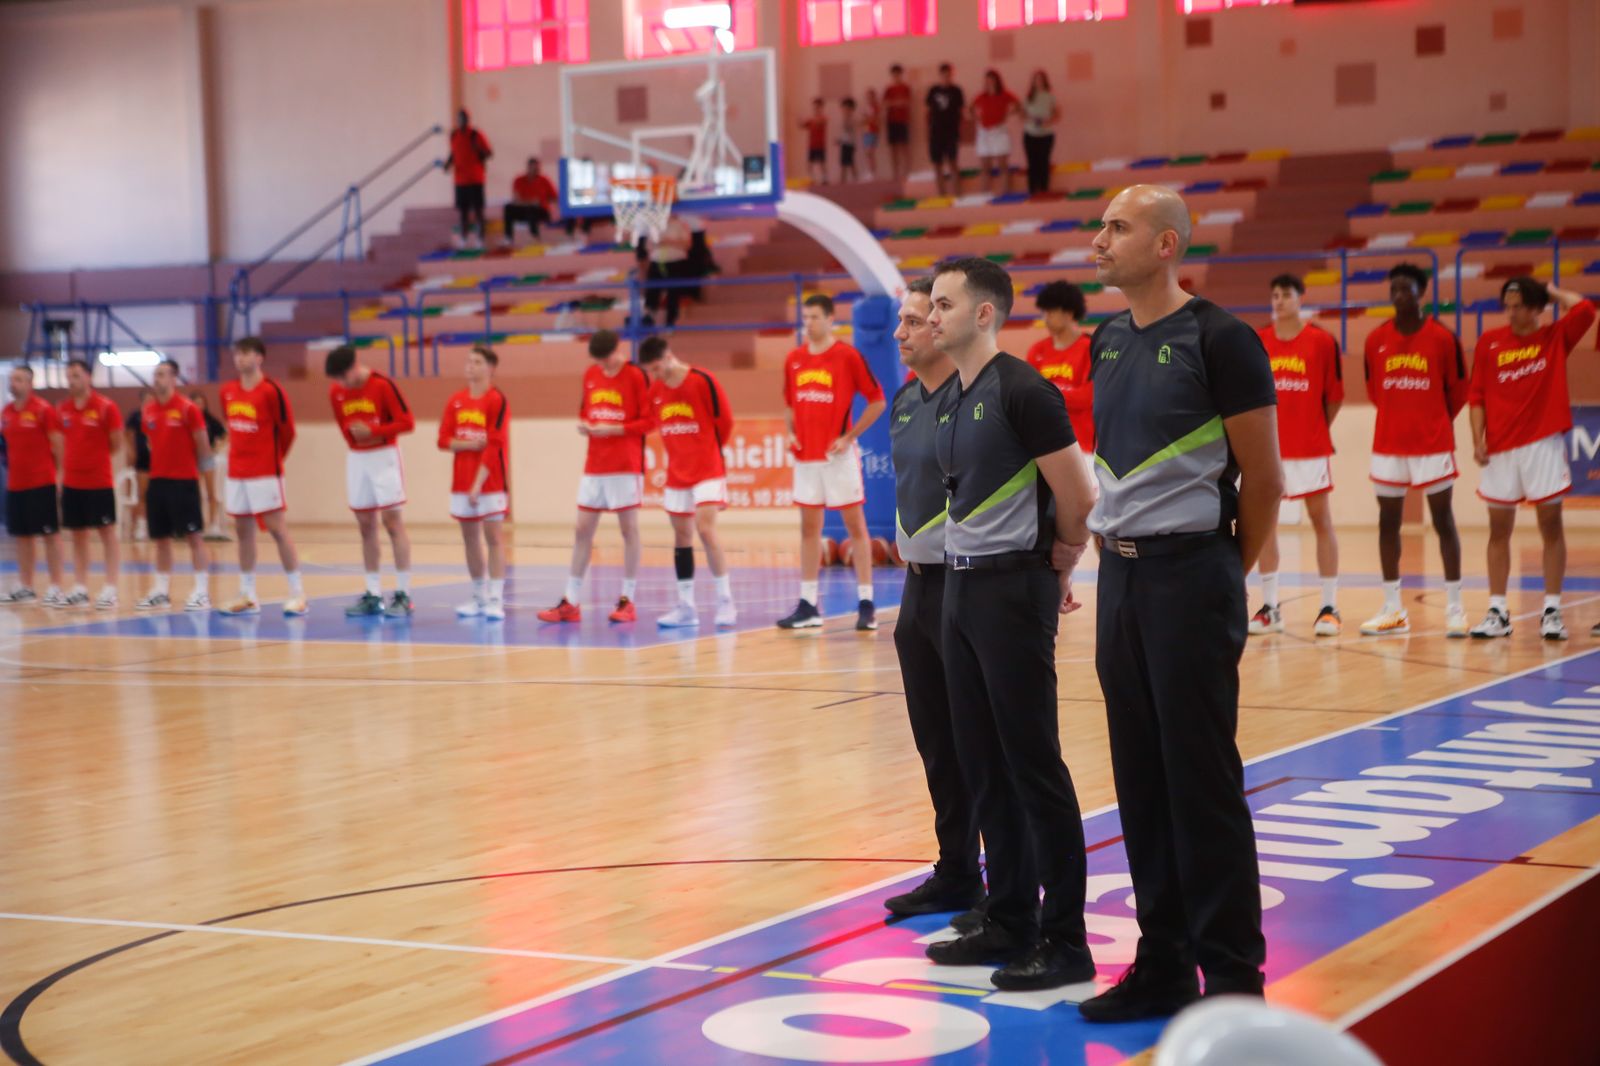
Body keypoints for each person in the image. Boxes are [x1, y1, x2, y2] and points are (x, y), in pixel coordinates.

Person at [1078, 185, 1280, 1022]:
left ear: (1166, 245)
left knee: (1200, 782)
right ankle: (1161, 963)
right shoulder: (1106, 339)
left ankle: (1233, 980)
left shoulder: (1222, 340)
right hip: (1118, 580)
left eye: (1116, 227)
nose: (1099, 240)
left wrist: (1222, 573)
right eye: (1100, 226)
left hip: (1191, 577)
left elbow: (1264, 479)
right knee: (1140, 779)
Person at [921, 257, 1099, 992]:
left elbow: (1078, 496)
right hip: (960, 593)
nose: (931, 316)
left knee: (1034, 768)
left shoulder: (1025, 390)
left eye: (943, 304)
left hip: (1013, 592)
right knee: (983, 764)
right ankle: (1009, 917)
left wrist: (1055, 563)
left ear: (985, 313)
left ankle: (1064, 940)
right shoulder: (952, 397)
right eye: (929, 305)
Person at [881, 277, 984, 926]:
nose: (902, 334)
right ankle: (956, 873)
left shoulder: (976, 399)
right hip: (917, 591)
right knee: (937, 744)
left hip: (967, 586)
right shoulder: (903, 402)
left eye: (914, 322)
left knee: (980, 741)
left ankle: (1007, 890)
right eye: (901, 322)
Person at [1466, 278, 1596, 641]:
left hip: (1543, 446)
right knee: (1498, 530)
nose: (1511, 311)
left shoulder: (1555, 337)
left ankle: (1552, 610)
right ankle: (1497, 611)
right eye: (1507, 304)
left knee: (1550, 526)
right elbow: (1476, 396)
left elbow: (1586, 309)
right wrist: (1477, 439)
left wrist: (1552, 291)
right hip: (1500, 450)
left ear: (1537, 308)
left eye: (1519, 304)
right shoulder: (1489, 342)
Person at [1361, 263, 1468, 637]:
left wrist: (1432, 419)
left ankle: (1455, 607)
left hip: (1432, 444)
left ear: (1421, 294)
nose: (1397, 296)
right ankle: (1393, 609)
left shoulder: (1442, 338)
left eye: (1405, 289)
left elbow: (1457, 392)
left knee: (1443, 521)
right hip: (1388, 444)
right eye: (1393, 289)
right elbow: (1375, 391)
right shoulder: (1375, 340)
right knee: (1387, 523)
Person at [775, 294, 886, 632]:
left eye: (813, 317)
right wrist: (791, 433)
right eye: (804, 317)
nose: (807, 323)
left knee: (856, 529)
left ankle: (866, 604)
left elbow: (877, 401)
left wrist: (849, 436)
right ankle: (808, 604)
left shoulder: (847, 356)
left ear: (829, 320)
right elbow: (789, 404)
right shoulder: (793, 359)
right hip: (805, 460)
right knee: (809, 529)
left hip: (837, 459)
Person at [1248, 274, 1344, 637]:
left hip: (1310, 448)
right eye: (1273, 295)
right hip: (1269, 450)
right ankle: (1271, 607)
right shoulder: (1258, 341)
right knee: (1265, 526)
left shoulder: (1321, 341)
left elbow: (1334, 396)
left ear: (1301, 298)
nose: (1279, 301)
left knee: (1321, 520)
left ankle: (1330, 606)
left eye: (1285, 294)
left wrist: (1314, 427)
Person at [538, 329, 648, 624]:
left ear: (618, 350)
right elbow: (586, 410)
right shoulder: (590, 374)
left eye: (608, 360)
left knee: (629, 531)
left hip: (625, 464)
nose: (604, 366)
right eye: (599, 362)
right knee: (582, 530)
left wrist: (613, 429)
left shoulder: (636, 376)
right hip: (594, 465)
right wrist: (587, 425)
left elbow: (648, 421)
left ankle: (628, 600)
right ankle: (571, 601)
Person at [637, 336, 738, 629]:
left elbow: (726, 423)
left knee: (705, 530)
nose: (654, 375)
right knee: (681, 538)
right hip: (677, 473)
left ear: (669, 356)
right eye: (650, 371)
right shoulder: (655, 391)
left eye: (657, 368)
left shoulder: (703, 380)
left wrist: (706, 449)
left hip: (707, 468)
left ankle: (725, 601)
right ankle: (686, 606)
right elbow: (651, 423)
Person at [217, 336, 306, 618]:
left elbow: (288, 430)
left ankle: (297, 593)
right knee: (243, 532)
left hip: (266, 471)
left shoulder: (271, 391)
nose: (240, 359)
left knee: (278, 529)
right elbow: (231, 426)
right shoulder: (227, 391)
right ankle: (247, 593)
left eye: (246, 354)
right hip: (237, 472)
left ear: (259, 357)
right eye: (237, 354)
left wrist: (274, 460)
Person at [325, 345, 416, 619]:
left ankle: (403, 594)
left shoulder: (382, 385)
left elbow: (407, 422)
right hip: (358, 459)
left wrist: (375, 432)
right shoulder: (336, 392)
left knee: (392, 524)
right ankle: (373, 593)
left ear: (355, 366)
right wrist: (357, 437)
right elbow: (343, 426)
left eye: (343, 377)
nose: (341, 384)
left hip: (384, 457)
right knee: (365, 526)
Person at [135, 360, 214, 611]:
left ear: (173, 379)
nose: (157, 379)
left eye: (162, 375)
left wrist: (203, 478)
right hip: (158, 481)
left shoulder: (188, 409)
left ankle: (201, 590)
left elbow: (203, 446)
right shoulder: (148, 411)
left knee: (194, 537)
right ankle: (161, 590)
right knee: (161, 538)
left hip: (184, 481)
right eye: (155, 374)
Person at [441, 346, 511, 622]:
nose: (470, 365)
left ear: (490, 368)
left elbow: (495, 445)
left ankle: (495, 598)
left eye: (477, 362)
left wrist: (478, 483)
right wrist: (467, 443)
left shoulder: (496, 400)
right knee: (469, 538)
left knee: (493, 538)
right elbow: (442, 439)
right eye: (468, 360)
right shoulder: (456, 400)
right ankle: (478, 596)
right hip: (460, 480)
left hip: (489, 482)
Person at [57, 358, 123, 609]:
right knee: (78, 535)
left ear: (88, 377)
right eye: (69, 376)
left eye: (76, 375)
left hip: (99, 482)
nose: (72, 381)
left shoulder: (106, 407)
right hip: (72, 482)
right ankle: (80, 586)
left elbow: (116, 443)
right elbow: (63, 444)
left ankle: (110, 587)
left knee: (107, 534)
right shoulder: (62, 408)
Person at [1, 364, 65, 606]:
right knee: (22, 536)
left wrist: (59, 475)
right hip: (16, 484)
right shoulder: (6, 412)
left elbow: (58, 445)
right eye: (12, 379)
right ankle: (26, 585)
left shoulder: (43, 410)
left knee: (50, 535)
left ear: (29, 383)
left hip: (42, 482)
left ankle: (56, 586)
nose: (13, 383)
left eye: (18, 379)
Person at [1026, 280, 1095, 474]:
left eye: (1051, 312)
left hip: (1082, 446)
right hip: (1044, 446)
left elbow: (1086, 398)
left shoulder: (1089, 349)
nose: (1045, 318)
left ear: (1069, 313)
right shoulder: (1037, 351)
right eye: (1044, 312)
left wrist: (1047, 392)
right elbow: (1030, 399)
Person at [446, 108, 493, 248]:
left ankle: (481, 238)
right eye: (459, 118)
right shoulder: (453, 135)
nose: (462, 121)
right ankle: (464, 238)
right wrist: (447, 164)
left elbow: (489, 153)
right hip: (460, 179)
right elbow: (453, 154)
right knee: (463, 212)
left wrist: (478, 148)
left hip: (475, 178)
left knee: (478, 210)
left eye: (464, 118)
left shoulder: (476, 135)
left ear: (468, 120)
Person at [970, 69, 1020, 195]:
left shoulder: (1004, 95)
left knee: (1002, 165)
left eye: (992, 80)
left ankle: (1006, 194)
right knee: (985, 166)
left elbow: (1018, 105)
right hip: (984, 132)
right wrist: (977, 118)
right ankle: (985, 195)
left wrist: (1008, 114)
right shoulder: (981, 96)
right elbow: (970, 108)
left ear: (997, 81)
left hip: (999, 130)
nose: (989, 82)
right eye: (987, 80)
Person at [504, 157, 572, 245]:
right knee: (508, 208)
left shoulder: (544, 180)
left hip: (541, 211)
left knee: (532, 210)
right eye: (534, 168)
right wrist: (530, 202)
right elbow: (516, 200)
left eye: (538, 168)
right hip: (524, 211)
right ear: (528, 167)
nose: (536, 170)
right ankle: (508, 238)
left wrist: (563, 213)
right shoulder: (519, 180)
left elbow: (555, 197)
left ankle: (535, 237)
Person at [190, 389, 228, 540]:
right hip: (192, 458)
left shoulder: (210, 420)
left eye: (201, 403)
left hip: (207, 458)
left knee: (211, 492)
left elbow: (225, 435)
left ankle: (213, 524)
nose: (198, 405)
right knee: (195, 492)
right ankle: (197, 524)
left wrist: (216, 448)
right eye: (195, 403)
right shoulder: (188, 420)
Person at [926, 64, 965, 197]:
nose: (946, 78)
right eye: (943, 75)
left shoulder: (956, 91)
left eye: (948, 75)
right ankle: (941, 194)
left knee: (952, 162)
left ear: (951, 75)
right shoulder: (933, 90)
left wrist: (961, 129)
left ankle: (957, 193)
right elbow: (928, 111)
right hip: (936, 131)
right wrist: (927, 130)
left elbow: (961, 111)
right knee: (937, 164)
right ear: (940, 75)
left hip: (951, 131)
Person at [1021, 70, 1058, 196]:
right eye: (1036, 79)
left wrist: (1048, 121)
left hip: (1046, 134)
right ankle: (1032, 191)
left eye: (1041, 79)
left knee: (1044, 162)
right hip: (1030, 134)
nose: (1038, 82)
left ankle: (1044, 189)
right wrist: (1031, 119)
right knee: (1032, 163)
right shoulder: (1029, 97)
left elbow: (1056, 114)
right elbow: (1022, 114)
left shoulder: (1050, 96)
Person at [126, 387, 153, 541]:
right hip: (142, 459)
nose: (150, 401)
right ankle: (138, 525)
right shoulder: (136, 416)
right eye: (147, 399)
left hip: (157, 460)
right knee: (141, 494)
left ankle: (151, 524)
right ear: (142, 400)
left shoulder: (157, 414)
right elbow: (126, 433)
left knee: (153, 495)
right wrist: (131, 450)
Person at [884, 64, 913, 182]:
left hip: (903, 120)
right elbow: (886, 104)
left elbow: (907, 102)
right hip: (891, 121)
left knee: (904, 147)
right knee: (893, 148)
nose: (896, 76)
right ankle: (895, 174)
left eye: (898, 74)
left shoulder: (905, 88)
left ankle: (907, 173)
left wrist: (895, 103)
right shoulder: (888, 89)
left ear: (901, 74)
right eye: (894, 74)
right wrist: (897, 103)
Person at [800, 98, 828, 186]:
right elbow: (802, 125)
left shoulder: (823, 118)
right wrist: (800, 121)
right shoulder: (811, 120)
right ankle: (811, 179)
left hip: (820, 145)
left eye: (817, 107)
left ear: (821, 107)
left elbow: (819, 123)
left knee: (821, 162)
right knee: (809, 163)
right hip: (812, 145)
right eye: (814, 107)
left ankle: (824, 179)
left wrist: (811, 121)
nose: (816, 109)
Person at [860, 88, 882, 180]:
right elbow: (863, 120)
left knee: (870, 152)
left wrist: (867, 119)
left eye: (871, 96)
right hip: (866, 132)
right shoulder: (866, 107)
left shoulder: (875, 107)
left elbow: (874, 119)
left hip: (872, 131)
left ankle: (873, 173)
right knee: (867, 153)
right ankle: (870, 171)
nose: (869, 98)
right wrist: (865, 120)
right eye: (867, 97)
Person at [838, 97, 859, 184]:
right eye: (843, 108)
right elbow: (844, 133)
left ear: (851, 109)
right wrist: (839, 140)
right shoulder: (844, 119)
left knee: (850, 162)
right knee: (843, 162)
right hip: (844, 143)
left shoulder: (851, 119)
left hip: (849, 144)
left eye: (846, 108)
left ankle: (855, 179)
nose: (844, 110)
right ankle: (843, 180)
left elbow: (850, 132)